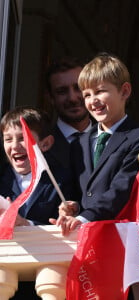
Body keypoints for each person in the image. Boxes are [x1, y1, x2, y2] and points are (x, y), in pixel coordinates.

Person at [50, 52, 139, 236]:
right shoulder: (79, 142)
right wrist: (72, 207)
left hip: (120, 235)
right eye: (87, 95)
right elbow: (78, 191)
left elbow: (123, 187)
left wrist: (86, 217)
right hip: (83, 234)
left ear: (124, 91)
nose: (93, 100)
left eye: (100, 91)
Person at [0, 106, 73, 300]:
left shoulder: (61, 181)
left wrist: (25, 224)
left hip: (45, 280)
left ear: (45, 143)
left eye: (23, 137)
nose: (15, 146)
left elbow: (66, 232)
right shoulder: (0, 179)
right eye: (8, 139)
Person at [45, 57, 93, 169]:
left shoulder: (110, 140)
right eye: (62, 91)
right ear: (50, 98)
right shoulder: (40, 146)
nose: (72, 98)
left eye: (79, 88)